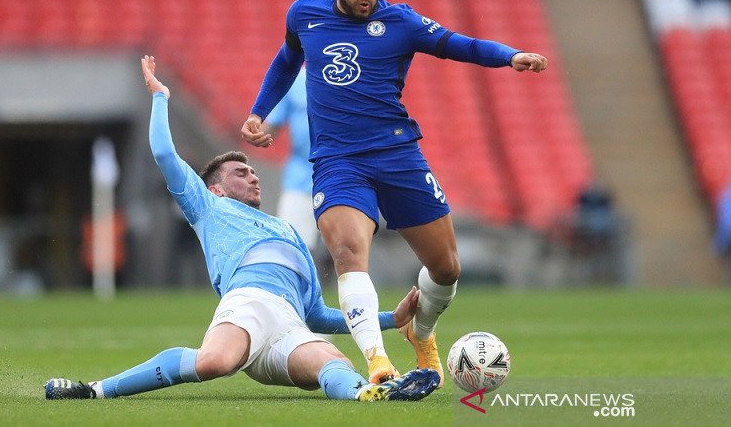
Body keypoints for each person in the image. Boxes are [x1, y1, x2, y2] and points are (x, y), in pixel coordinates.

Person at [241, 0, 547, 386]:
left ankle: (421, 333)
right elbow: (287, 60)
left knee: (446, 268)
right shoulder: (305, 13)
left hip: (397, 154)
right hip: (338, 161)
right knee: (347, 251)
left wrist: (510, 56)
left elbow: (456, 43)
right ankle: (377, 362)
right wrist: (259, 111)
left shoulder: (401, 23)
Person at [44, 55, 440, 402]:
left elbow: (317, 315)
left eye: (253, 171)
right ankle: (94, 389)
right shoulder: (207, 207)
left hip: (288, 324)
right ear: (215, 187)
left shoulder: (288, 233)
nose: (252, 177)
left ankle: (369, 394)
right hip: (248, 304)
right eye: (239, 172)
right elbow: (164, 152)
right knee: (214, 361)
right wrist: (160, 96)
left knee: (331, 361)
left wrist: (392, 318)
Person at [262, 66, 327, 272]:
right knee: (291, 247)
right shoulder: (295, 81)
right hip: (300, 176)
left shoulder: (346, 77)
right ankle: (293, 298)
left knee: (346, 249)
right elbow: (271, 125)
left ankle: (346, 301)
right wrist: (255, 129)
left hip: (338, 174)